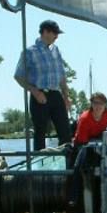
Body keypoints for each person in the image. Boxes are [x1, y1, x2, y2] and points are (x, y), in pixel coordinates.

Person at [14, 19, 73, 150]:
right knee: (40, 132)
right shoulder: (29, 52)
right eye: (55, 33)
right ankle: (39, 165)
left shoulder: (56, 50)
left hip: (56, 94)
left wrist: (66, 96)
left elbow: (61, 75)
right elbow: (18, 76)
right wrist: (34, 92)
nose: (57, 37)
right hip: (39, 96)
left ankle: (67, 164)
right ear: (45, 32)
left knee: (65, 131)